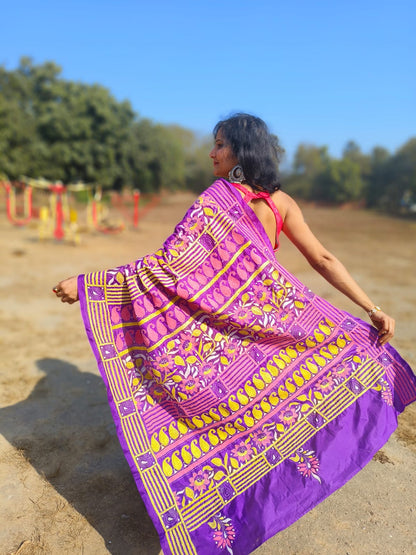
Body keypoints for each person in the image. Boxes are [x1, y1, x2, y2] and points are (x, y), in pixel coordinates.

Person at [54, 114, 415, 555]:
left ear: (241, 151)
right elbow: (179, 264)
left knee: (223, 417)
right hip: (247, 331)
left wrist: (91, 285)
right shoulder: (263, 201)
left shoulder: (229, 200)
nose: (212, 152)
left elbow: (318, 257)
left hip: (250, 332)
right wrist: (371, 307)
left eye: (219, 144)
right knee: (261, 406)